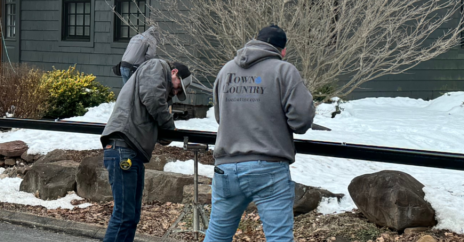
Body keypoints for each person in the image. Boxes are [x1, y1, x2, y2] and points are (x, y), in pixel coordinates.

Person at [205, 25, 316, 242]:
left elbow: (221, 117)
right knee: (278, 238)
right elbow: (301, 120)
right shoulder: (283, 70)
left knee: (217, 235)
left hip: (226, 167)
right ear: (282, 50)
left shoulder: (226, 71)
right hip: (268, 167)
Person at [100, 57, 193, 242]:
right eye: (177, 87)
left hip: (130, 150)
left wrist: (163, 130)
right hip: (123, 148)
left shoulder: (156, 84)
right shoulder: (157, 66)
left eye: (178, 92)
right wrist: (169, 126)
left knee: (131, 216)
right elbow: (152, 98)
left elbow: (152, 106)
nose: (175, 92)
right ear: (174, 73)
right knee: (123, 216)